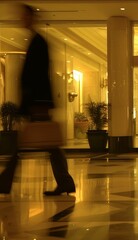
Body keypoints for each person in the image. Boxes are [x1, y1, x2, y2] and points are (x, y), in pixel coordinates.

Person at [0, 4, 76, 195]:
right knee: (48, 144)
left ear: (32, 18)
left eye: (24, 16)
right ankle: (64, 182)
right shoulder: (36, 41)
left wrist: (34, 103)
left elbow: (38, 76)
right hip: (37, 102)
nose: (21, 20)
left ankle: (5, 182)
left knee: (42, 143)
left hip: (37, 103)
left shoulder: (38, 42)